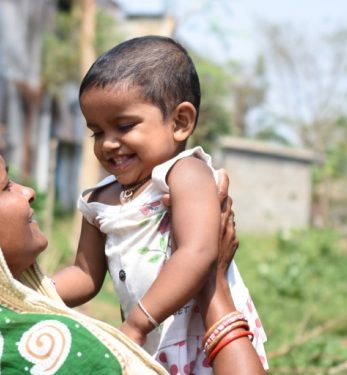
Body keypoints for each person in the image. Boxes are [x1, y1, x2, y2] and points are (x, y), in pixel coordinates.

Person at [0, 117, 262, 374]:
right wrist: (213, 287)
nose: (27, 192)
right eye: (5, 185)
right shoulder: (62, 357)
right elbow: (86, 273)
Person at [51, 35, 268, 373]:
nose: (108, 143)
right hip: (152, 344)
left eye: (123, 126)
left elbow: (197, 252)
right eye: (96, 132)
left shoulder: (185, 173)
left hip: (203, 339)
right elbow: (84, 274)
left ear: (180, 122)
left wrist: (137, 324)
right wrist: (32, 293)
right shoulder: (99, 200)